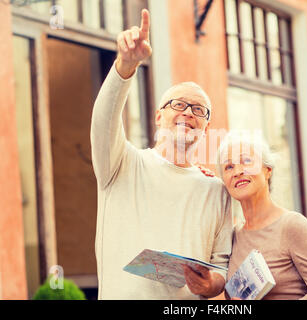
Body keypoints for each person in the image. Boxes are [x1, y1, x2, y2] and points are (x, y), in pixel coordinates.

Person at [90, 9, 232, 299]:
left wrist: (211, 285)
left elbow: (222, 264)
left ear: (206, 127)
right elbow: (104, 121)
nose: (188, 114)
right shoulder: (121, 165)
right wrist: (124, 68)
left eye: (198, 110)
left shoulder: (217, 190)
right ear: (158, 117)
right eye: (178, 105)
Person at [216, 132, 307, 300]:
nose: (238, 171)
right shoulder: (233, 236)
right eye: (229, 167)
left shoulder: (292, 226)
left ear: (267, 170)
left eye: (246, 161)